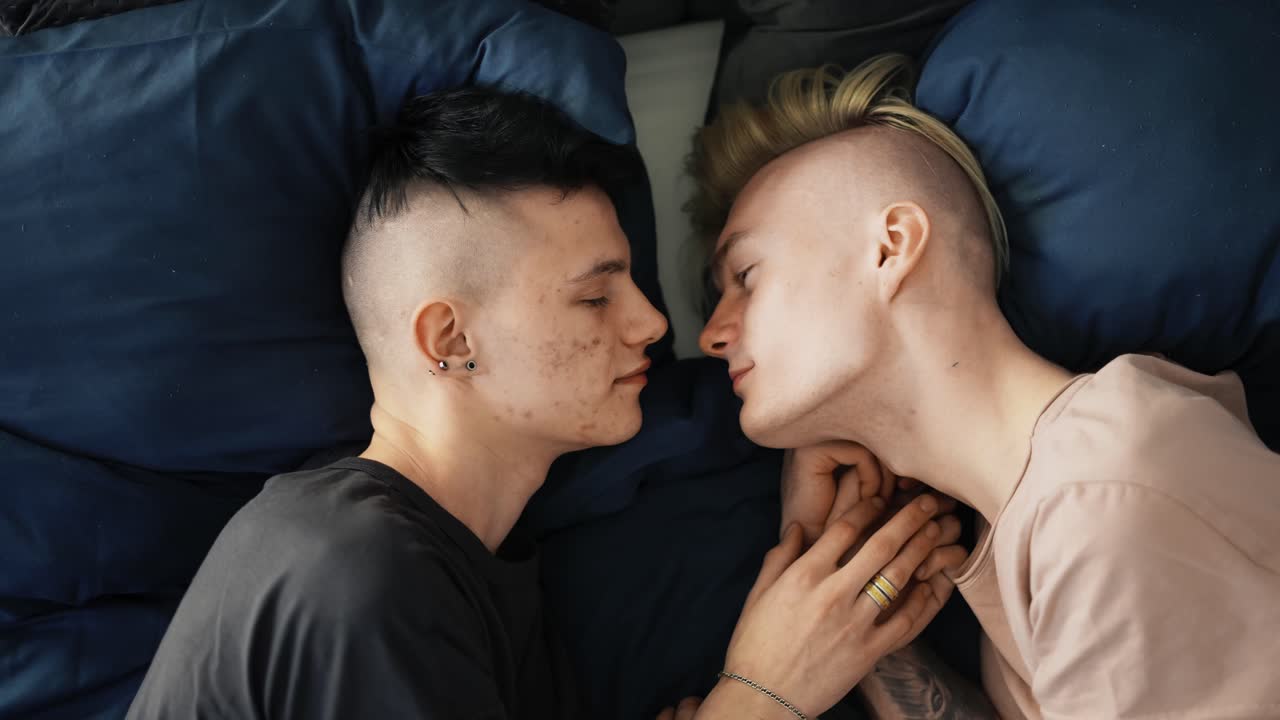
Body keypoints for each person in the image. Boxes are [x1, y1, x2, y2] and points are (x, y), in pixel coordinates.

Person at [126, 86, 964, 720]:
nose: (653, 323)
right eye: (595, 298)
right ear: (451, 339)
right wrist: (760, 696)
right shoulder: (353, 573)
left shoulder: (483, 572)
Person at [687, 53, 1280, 719]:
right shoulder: (1048, 507)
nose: (711, 334)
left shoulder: (1103, 503)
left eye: (746, 276)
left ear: (890, 248)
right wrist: (844, 586)